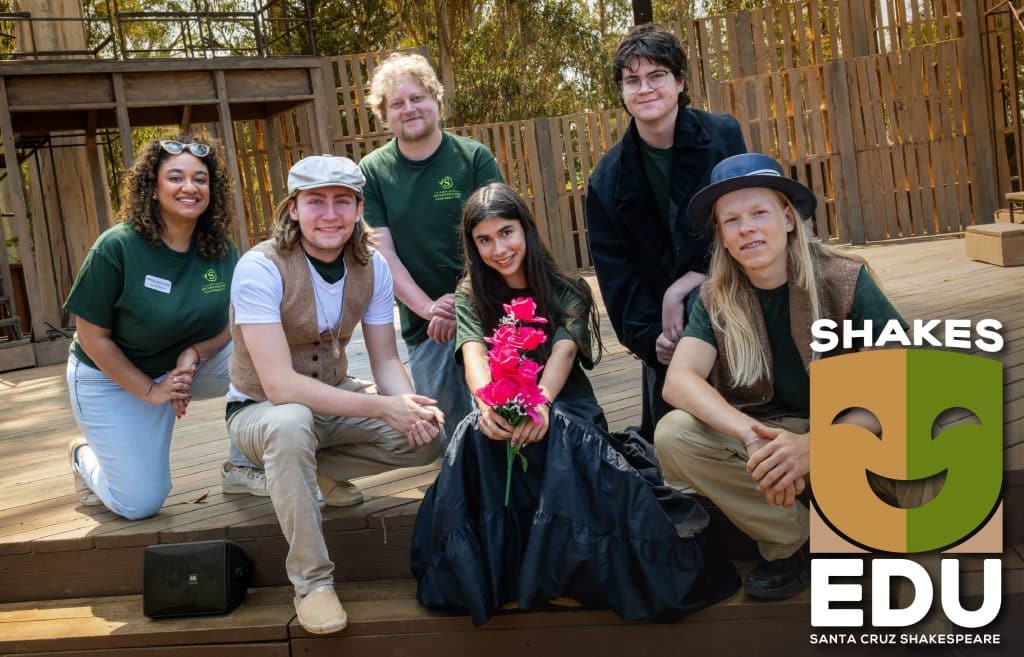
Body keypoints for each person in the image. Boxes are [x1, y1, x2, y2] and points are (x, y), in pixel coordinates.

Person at [411, 182, 739, 625]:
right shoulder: (471, 293)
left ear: (526, 229)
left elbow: (563, 355)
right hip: (503, 401)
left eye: (506, 233)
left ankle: (566, 575)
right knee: (475, 433)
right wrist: (488, 405)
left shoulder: (569, 290)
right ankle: (504, 576)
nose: (499, 249)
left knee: (556, 432)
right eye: (484, 240)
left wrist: (540, 403)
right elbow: (473, 355)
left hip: (565, 406)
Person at [653, 152, 921, 600]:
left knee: (935, 427)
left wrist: (817, 446)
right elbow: (679, 381)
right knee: (673, 433)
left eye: (759, 212)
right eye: (731, 220)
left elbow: (903, 378)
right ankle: (797, 540)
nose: (746, 228)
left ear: (788, 219)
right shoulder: (716, 297)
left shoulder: (843, 279)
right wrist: (752, 437)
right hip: (769, 440)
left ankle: (925, 566)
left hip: (846, 434)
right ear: (722, 237)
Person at [226, 154, 444, 634]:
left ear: (359, 208)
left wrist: (407, 407)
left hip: (333, 393)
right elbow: (280, 386)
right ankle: (313, 583)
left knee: (428, 438)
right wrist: (381, 407)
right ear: (293, 208)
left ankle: (310, 472)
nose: (330, 214)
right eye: (316, 202)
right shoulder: (259, 268)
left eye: (342, 201)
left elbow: (385, 361)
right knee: (290, 424)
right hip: (260, 408)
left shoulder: (372, 266)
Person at [64, 133, 251, 519]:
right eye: (176, 177)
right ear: (152, 187)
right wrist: (151, 390)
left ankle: (244, 465)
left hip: (181, 369)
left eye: (200, 179)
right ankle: (83, 456)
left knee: (264, 358)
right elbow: (92, 337)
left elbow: (235, 323)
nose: (190, 187)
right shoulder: (116, 248)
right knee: (139, 502)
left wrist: (193, 354)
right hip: (109, 377)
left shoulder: (220, 249)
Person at [586, 24, 746, 440]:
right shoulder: (606, 180)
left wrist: (692, 281)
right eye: (632, 80)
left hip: (734, 297)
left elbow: (745, 222)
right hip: (665, 332)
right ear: (622, 92)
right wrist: (651, 337)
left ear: (680, 82)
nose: (645, 89)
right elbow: (617, 277)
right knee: (671, 442)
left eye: (656, 75)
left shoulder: (722, 136)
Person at [361, 52, 504, 439]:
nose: (409, 108)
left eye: (417, 97)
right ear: (384, 115)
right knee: (448, 435)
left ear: (437, 100)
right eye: (396, 103)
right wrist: (429, 308)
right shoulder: (372, 172)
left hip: (488, 309)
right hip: (427, 327)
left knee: (504, 416)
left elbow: (499, 239)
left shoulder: (474, 158)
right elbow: (382, 254)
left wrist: (461, 304)